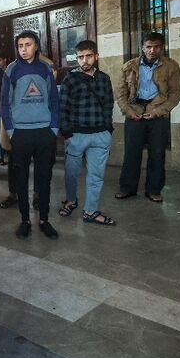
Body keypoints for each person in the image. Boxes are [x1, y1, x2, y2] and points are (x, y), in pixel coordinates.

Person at [1, 30, 60, 240]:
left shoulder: (45, 69)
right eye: (20, 46)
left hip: (44, 132)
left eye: (28, 45)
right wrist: (11, 131)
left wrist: (53, 129)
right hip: (21, 134)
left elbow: (54, 100)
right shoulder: (11, 71)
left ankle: (44, 220)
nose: (24, 49)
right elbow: (5, 105)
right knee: (21, 179)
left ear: (36, 46)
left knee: (44, 178)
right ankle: (25, 220)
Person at [114, 32, 180, 203]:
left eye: (156, 46)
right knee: (131, 153)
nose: (152, 50)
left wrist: (158, 112)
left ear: (162, 47)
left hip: (157, 113)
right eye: (148, 46)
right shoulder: (129, 66)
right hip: (134, 112)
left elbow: (175, 94)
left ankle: (154, 190)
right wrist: (128, 111)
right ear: (142, 47)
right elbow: (121, 93)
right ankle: (127, 188)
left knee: (157, 153)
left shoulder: (171, 66)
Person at [58, 41, 116, 226]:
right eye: (81, 57)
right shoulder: (70, 79)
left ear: (96, 56)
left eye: (88, 56)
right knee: (71, 173)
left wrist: (108, 129)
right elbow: (62, 108)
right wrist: (67, 134)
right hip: (76, 135)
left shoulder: (104, 78)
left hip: (100, 135)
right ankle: (71, 200)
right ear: (77, 58)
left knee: (96, 175)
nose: (84, 60)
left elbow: (109, 104)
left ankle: (90, 210)